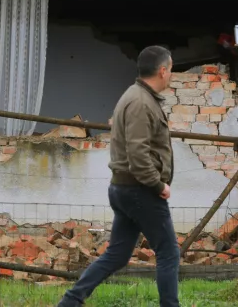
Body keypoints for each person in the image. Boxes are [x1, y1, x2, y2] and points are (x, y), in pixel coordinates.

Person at [58, 45, 179, 307]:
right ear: (162, 70)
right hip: (140, 190)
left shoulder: (137, 97)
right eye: (170, 70)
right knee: (168, 253)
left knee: (117, 255)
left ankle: (70, 301)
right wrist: (158, 185)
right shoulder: (140, 101)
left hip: (127, 189)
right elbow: (138, 153)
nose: (171, 75)